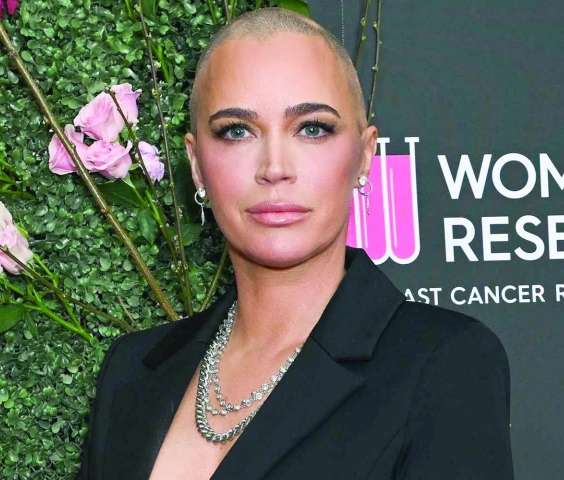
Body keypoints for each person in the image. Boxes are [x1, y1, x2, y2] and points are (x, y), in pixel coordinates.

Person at [78, 7, 514, 480]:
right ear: (197, 164)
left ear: (364, 155)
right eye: (236, 131)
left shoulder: (443, 363)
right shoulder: (131, 370)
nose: (274, 168)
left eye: (312, 128)